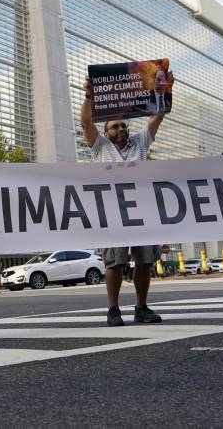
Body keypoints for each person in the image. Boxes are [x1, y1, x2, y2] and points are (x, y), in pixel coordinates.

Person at [81, 73, 171, 326]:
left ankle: (141, 307)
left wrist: (163, 90)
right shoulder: (99, 146)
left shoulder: (140, 142)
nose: (121, 129)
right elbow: (86, 121)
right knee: (115, 262)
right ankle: (113, 310)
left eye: (123, 125)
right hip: (112, 213)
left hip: (142, 211)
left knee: (144, 261)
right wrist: (89, 95)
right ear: (106, 132)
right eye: (115, 127)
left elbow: (158, 116)